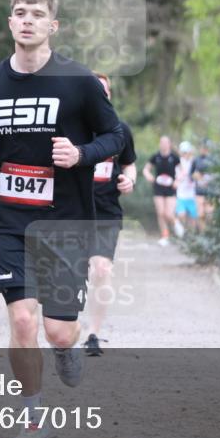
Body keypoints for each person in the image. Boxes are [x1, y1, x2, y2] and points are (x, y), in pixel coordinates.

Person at [0, 0, 124, 438]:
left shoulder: (79, 83)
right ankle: (32, 418)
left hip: (66, 221)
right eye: (18, 13)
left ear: (53, 25)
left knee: (57, 329)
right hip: (9, 217)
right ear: (10, 23)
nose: (26, 20)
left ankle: (67, 348)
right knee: (24, 321)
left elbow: (115, 135)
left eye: (36, 13)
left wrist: (82, 153)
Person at [83, 72, 137, 357]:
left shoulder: (119, 130)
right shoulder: (70, 128)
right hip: (72, 210)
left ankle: (93, 333)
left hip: (106, 211)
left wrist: (130, 180)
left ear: (109, 96)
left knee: (101, 269)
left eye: (104, 91)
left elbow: (129, 164)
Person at [142, 136, 180, 246]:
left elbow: (183, 171)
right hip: (158, 187)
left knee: (168, 213)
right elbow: (146, 169)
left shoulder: (174, 157)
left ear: (169, 144)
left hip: (170, 188)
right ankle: (165, 235)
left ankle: (176, 224)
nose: (163, 144)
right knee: (160, 212)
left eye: (165, 142)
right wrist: (148, 176)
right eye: (161, 142)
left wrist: (177, 181)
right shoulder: (156, 156)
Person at [175, 140, 199, 235]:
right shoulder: (178, 163)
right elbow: (178, 176)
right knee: (181, 215)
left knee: (193, 218)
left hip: (192, 195)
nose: (185, 154)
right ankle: (183, 233)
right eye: (183, 152)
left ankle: (191, 236)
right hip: (181, 194)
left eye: (187, 151)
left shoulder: (194, 161)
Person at [192, 140, 217, 231]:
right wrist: (197, 177)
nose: (203, 149)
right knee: (200, 214)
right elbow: (191, 174)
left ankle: (210, 232)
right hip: (199, 191)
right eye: (202, 147)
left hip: (211, 192)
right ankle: (203, 235)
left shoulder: (214, 160)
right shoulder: (196, 160)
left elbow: (218, 174)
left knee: (210, 214)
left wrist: (210, 179)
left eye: (205, 147)